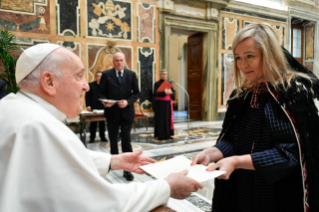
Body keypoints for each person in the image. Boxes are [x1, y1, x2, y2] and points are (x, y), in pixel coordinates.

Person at [0, 43, 203, 212]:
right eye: (79, 76)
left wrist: (113, 160)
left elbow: (59, 160)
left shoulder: (15, 108)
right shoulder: (40, 127)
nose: (86, 86)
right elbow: (104, 204)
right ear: (49, 81)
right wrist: (167, 186)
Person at [192, 23, 319, 212]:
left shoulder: (293, 93)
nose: (243, 64)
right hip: (242, 187)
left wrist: (237, 161)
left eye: (250, 56)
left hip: (277, 192)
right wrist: (212, 152)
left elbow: (291, 153)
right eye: (238, 58)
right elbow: (233, 139)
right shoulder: (243, 95)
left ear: (269, 54)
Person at [99, 52, 139, 181]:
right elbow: (101, 93)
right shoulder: (106, 75)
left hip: (127, 112)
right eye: (117, 60)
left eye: (121, 60)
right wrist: (105, 102)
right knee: (113, 139)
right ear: (113, 61)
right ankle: (114, 164)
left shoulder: (131, 75)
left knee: (126, 140)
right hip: (112, 113)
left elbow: (136, 93)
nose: (119, 62)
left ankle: (127, 169)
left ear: (124, 60)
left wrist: (128, 101)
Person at [85, 71, 108, 143]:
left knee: (102, 123)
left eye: (101, 76)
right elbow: (87, 96)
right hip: (93, 106)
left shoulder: (105, 86)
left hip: (102, 107)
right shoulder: (91, 85)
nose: (99, 78)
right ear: (95, 77)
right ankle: (92, 138)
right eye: (98, 76)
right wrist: (88, 105)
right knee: (93, 123)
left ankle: (103, 137)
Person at [153, 69, 175, 140]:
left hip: (168, 104)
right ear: (160, 75)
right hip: (160, 104)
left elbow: (174, 93)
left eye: (165, 74)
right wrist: (164, 92)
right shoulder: (157, 83)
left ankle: (168, 134)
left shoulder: (169, 83)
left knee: (168, 119)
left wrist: (171, 93)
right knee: (161, 120)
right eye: (163, 74)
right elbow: (155, 93)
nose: (164, 75)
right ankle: (161, 135)